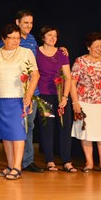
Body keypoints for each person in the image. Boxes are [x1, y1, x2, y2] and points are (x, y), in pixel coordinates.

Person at [0, 24, 38, 180]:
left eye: (18, 38)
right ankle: (9, 166)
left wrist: (29, 94)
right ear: (3, 38)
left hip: (18, 98)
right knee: (6, 134)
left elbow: (35, 75)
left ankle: (17, 167)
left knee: (18, 133)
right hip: (1, 98)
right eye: (12, 38)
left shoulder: (26, 53)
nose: (16, 41)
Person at [0, 10, 45, 173]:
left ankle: (27, 160)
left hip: (32, 91)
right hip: (12, 93)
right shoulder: (6, 42)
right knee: (16, 128)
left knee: (29, 126)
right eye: (26, 23)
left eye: (31, 23)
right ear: (17, 23)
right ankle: (16, 163)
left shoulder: (32, 40)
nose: (29, 26)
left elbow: (35, 67)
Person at [70, 32, 101, 174]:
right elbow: (72, 82)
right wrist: (75, 102)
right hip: (85, 102)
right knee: (87, 134)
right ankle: (89, 162)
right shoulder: (80, 61)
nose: (99, 49)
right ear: (89, 47)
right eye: (96, 46)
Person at [35, 26, 75, 173]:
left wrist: (65, 97)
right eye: (49, 35)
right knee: (47, 128)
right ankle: (50, 161)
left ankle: (67, 161)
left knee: (64, 128)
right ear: (43, 37)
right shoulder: (36, 52)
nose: (52, 38)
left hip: (60, 96)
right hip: (44, 96)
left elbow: (68, 76)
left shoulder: (62, 53)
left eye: (55, 36)